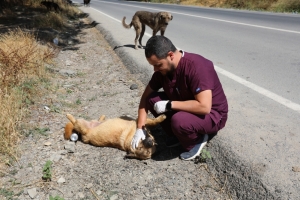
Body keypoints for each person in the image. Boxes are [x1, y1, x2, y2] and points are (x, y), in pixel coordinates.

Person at [131, 35, 228, 161]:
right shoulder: (162, 72)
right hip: (186, 104)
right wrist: (140, 128)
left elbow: (204, 107)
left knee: (179, 121)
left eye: (158, 65)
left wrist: (169, 104)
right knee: (152, 99)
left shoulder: (197, 66)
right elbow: (145, 97)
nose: (155, 69)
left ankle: (197, 140)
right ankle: (177, 134)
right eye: (153, 65)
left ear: (171, 55)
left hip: (213, 115)